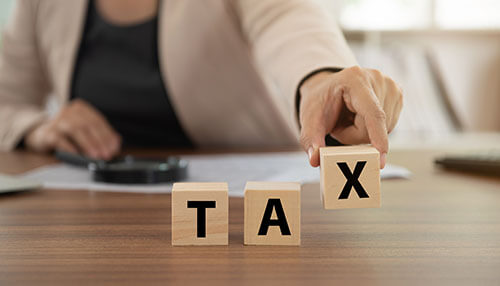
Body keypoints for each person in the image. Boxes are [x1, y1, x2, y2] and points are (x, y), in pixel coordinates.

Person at [0, 0, 402, 168]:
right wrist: (38, 128)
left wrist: (322, 79)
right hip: (91, 215)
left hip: (236, 214)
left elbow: (286, 17)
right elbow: (6, 100)